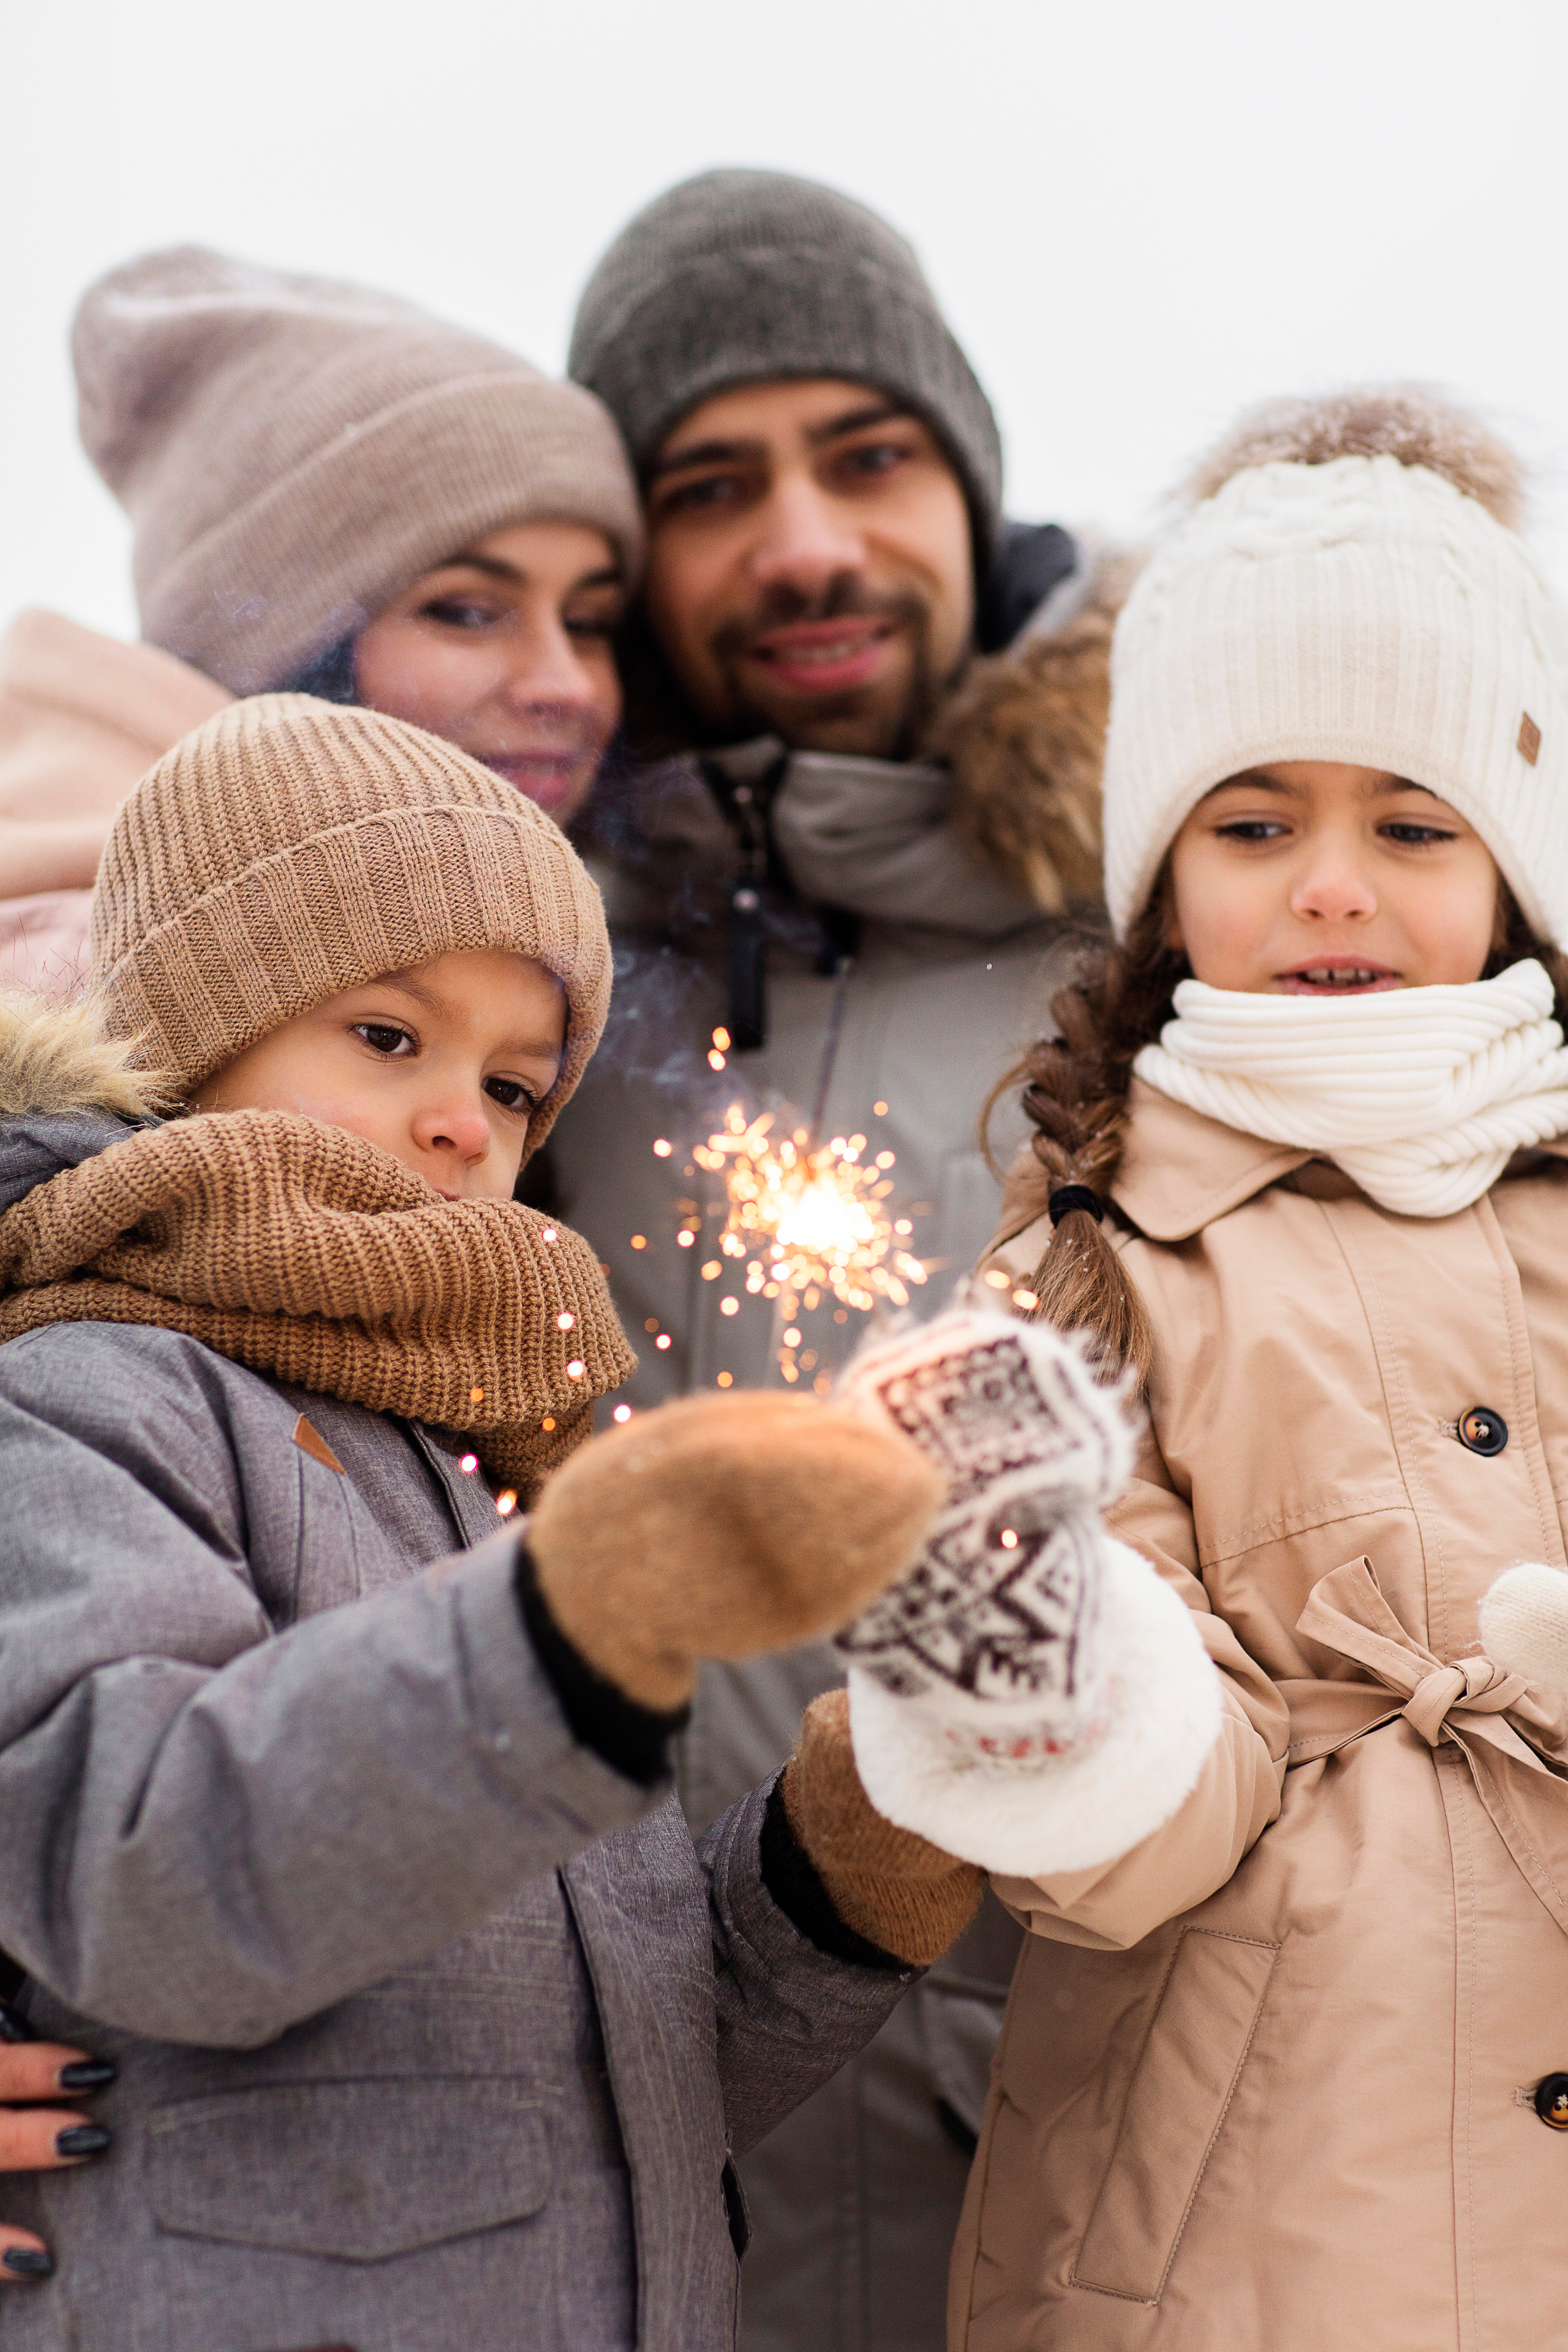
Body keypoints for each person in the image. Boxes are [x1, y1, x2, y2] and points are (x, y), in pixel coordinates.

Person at [0, 688, 1005, 2348]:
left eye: (522, 1087)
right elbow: (140, 1874)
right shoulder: (86, 1393)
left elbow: (601, 2083)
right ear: (195, 1026)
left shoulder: (469, 1472)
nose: (469, 1118)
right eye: (387, 1038)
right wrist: (559, 1634)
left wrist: (831, 1877)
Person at [883, 387, 1568, 2345]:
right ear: (1160, 880)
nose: (1328, 881)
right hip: (1255, 2236)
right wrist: (1052, 1684)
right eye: (1253, 822)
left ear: (1510, 866)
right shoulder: (1082, 1264)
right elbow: (1126, 1857)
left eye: (1409, 821)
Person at [551, 167, 1129, 2349]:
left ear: (965, 489)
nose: (802, 542)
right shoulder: (498, 1004)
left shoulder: (1201, 926)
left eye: (866, 455)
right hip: (591, 2236)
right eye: (712, 484)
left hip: (1101, 2220)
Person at [0, 246, 641, 992]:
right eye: (465, 613)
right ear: (273, 643)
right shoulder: (101, 974)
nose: (566, 686)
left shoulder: (520, 935)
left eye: (591, 621)